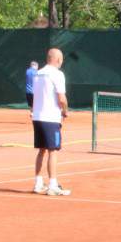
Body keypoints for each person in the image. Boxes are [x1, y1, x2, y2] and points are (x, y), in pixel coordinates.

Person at [31, 48, 71, 196]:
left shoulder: (37, 74)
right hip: (50, 118)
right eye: (61, 60)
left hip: (37, 117)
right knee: (53, 151)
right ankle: (53, 186)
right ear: (58, 60)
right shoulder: (58, 74)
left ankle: (38, 184)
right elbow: (61, 98)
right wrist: (65, 111)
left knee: (41, 150)